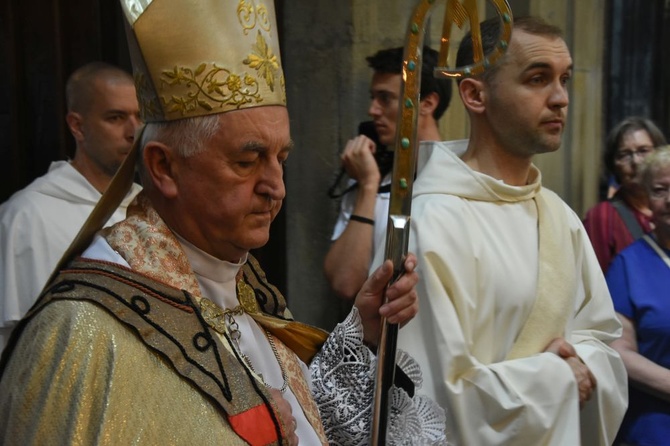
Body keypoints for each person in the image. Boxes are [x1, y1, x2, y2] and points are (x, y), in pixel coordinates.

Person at [0, 1, 446, 445]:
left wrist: (363, 334)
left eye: (281, 159)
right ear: (164, 168)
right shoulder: (79, 333)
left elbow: (309, 424)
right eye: (248, 161)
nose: (277, 187)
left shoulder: (244, 287)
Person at [375, 16, 628, 445]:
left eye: (564, 79)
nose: (561, 98)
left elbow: (601, 338)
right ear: (475, 94)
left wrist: (583, 363)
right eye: (537, 79)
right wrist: (555, 378)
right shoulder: (431, 222)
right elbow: (432, 403)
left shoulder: (560, 217)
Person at [0, 61, 142, 349]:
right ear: (77, 126)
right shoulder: (27, 216)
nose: (133, 131)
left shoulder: (151, 206)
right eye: (116, 118)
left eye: (140, 118)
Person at [324, 46, 452, 300]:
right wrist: (368, 186)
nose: (373, 110)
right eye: (373, 98)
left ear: (427, 103)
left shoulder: (459, 180)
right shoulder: (371, 180)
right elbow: (345, 282)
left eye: (385, 98)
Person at [606, 146, 670, 445]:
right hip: (655, 426)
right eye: (660, 190)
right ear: (647, 200)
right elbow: (619, 350)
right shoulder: (628, 265)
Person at [583, 117, 667, 273]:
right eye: (624, 155)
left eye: (643, 151)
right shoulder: (603, 217)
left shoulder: (665, 208)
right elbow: (598, 284)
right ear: (614, 164)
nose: (636, 161)